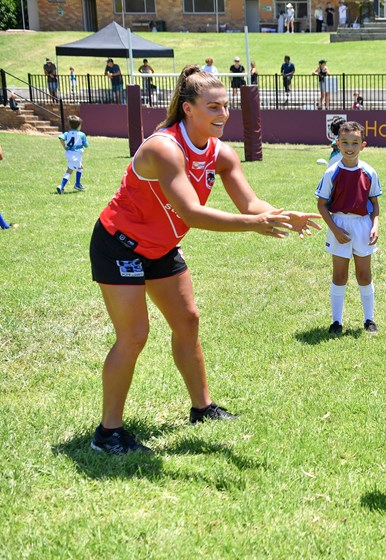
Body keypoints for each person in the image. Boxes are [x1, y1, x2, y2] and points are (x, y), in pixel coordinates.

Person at [87, 65, 322, 454]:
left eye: (226, 106)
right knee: (134, 335)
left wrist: (279, 215)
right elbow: (191, 213)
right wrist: (253, 225)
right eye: (213, 107)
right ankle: (108, 433)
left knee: (188, 321)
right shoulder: (164, 148)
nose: (223, 114)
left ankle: (202, 408)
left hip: (162, 248)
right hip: (119, 245)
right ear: (188, 108)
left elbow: (250, 203)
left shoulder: (221, 154)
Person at [315, 121, 381, 336]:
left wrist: (375, 225)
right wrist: (335, 229)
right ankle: (336, 321)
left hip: (362, 225)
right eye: (345, 142)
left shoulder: (369, 172)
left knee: (364, 274)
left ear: (363, 145)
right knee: (339, 274)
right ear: (338, 143)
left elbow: (375, 204)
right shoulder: (331, 172)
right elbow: (321, 204)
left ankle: (369, 319)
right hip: (339, 224)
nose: (349, 147)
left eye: (354, 143)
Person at [56, 115, 89, 194]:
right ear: (79, 126)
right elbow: (86, 145)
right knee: (70, 170)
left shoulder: (67, 133)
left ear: (70, 125)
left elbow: (61, 138)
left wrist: (65, 147)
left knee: (80, 167)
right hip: (75, 155)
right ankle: (61, 186)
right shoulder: (81, 134)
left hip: (69, 153)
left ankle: (78, 184)